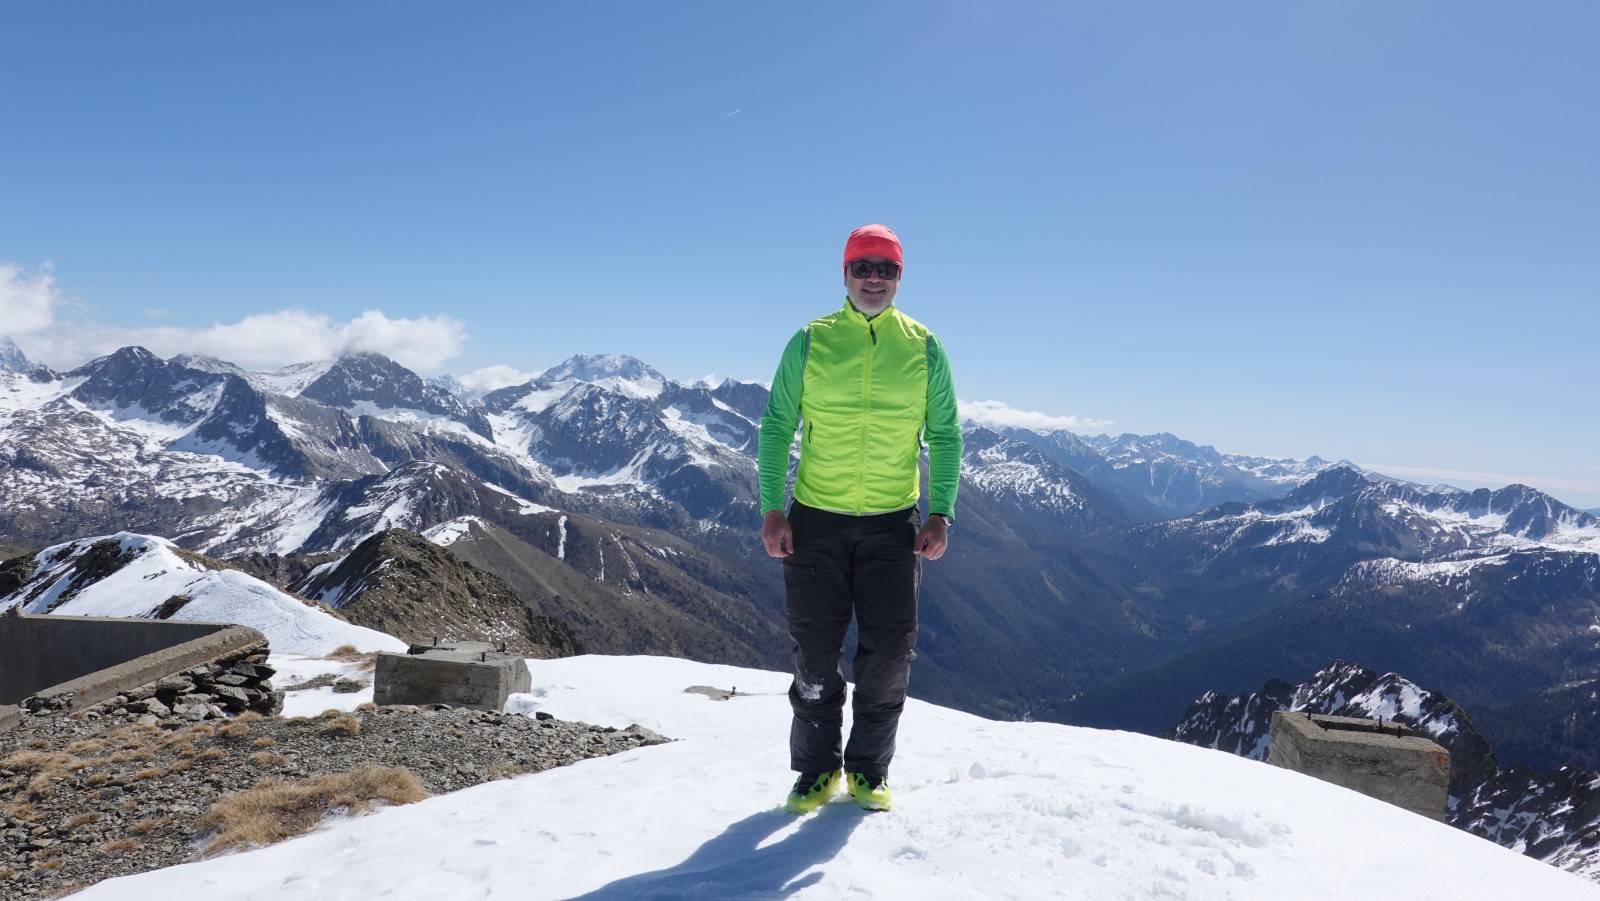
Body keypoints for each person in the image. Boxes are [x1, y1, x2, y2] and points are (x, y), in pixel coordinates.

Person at [758, 223, 962, 814]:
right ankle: (817, 771)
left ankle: (869, 770)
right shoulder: (810, 340)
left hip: (893, 523)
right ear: (844, 274)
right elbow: (776, 426)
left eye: (886, 269)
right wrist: (773, 508)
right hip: (815, 520)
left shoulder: (924, 347)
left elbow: (945, 435)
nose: (874, 279)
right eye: (863, 267)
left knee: (890, 650)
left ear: (901, 277)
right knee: (815, 653)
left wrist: (942, 511)